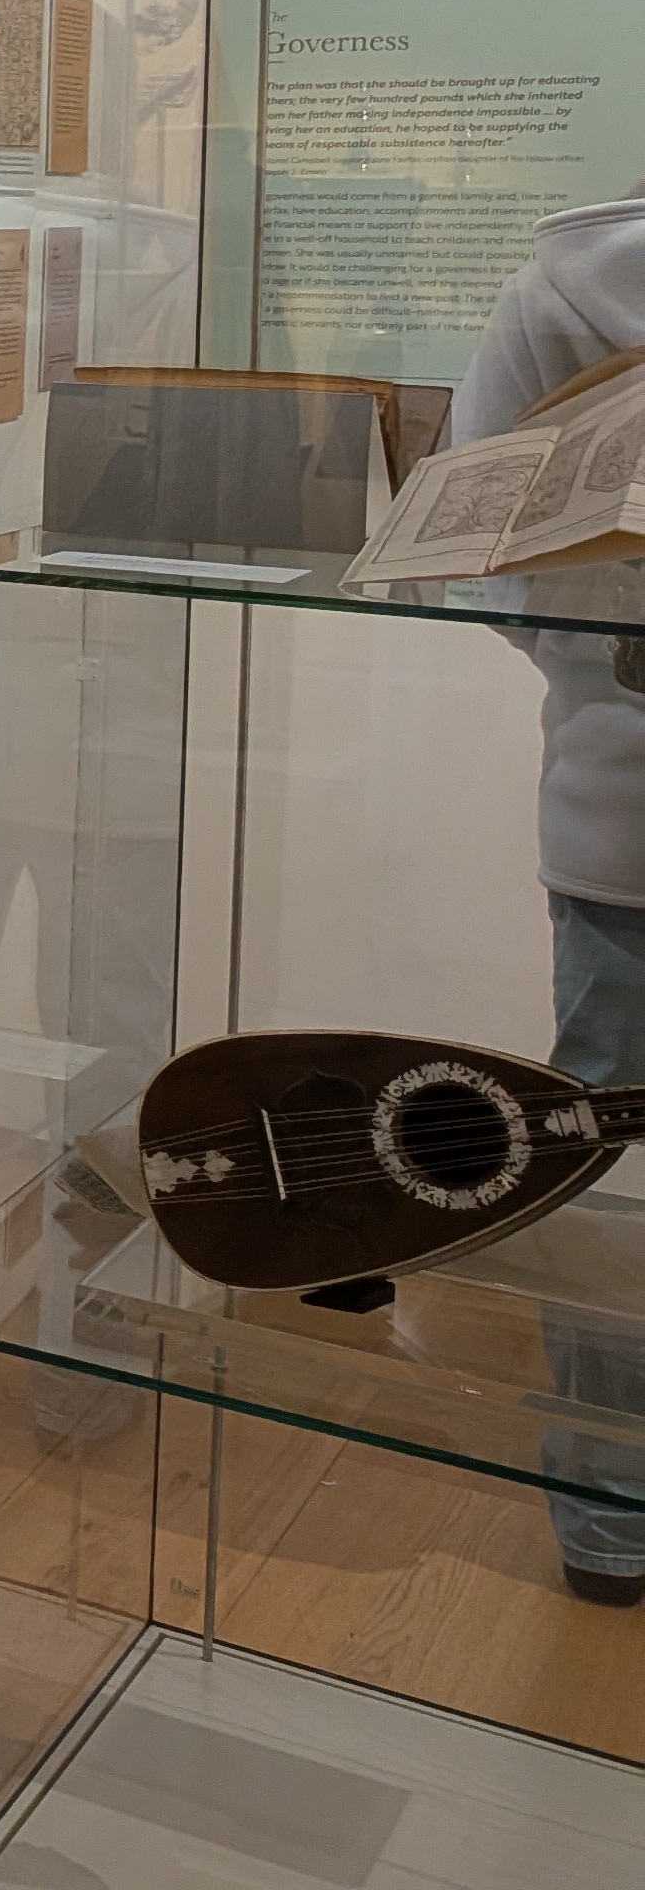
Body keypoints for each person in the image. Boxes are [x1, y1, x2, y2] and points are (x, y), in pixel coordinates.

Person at [455, 185, 645, 1606]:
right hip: (617, 814)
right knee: (597, 1167)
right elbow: (484, 533)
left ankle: (609, 1527)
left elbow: (490, 544)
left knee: (603, 1172)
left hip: (619, 799)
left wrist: (603, 682)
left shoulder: (560, 282)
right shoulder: (557, 280)